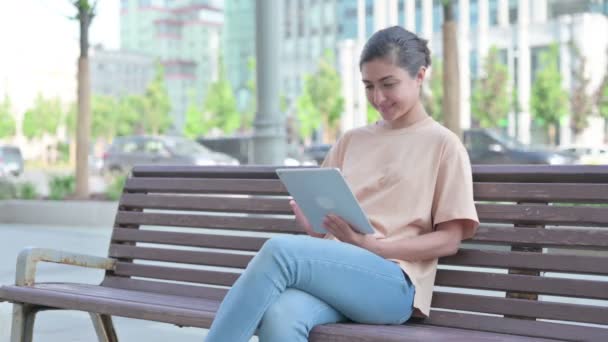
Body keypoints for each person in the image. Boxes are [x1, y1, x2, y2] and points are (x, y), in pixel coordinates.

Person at [205, 26, 479, 342]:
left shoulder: (444, 145)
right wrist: (317, 227)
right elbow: (331, 225)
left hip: (392, 283)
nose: (378, 98)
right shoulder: (352, 140)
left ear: (419, 76)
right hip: (340, 274)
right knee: (281, 315)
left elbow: (449, 240)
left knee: (280, 251)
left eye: (389, 84)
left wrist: (378, 247)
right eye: (369, 86)